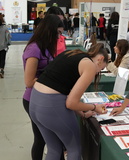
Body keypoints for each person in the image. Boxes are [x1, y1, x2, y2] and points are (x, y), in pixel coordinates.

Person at [29, 43, 108, 159]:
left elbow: (63, 91)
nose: (97, 72)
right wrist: (94, 107)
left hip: (35, 102)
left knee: (54, 148)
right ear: (100, 59)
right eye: (100, 69)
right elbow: (71, 103)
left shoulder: (73, 53)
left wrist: (82, 113)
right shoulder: (89, 65)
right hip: (51, 106)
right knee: (74, 149)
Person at [22, 14, 64, 160]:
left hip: (45, 99)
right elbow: (28, 81)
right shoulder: (34, 49)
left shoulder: (45, 47)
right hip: (34, 99)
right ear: (49, 30)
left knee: (47, 139)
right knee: (41, 139)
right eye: (58, 32)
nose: (59, 37)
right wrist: (52, 78)